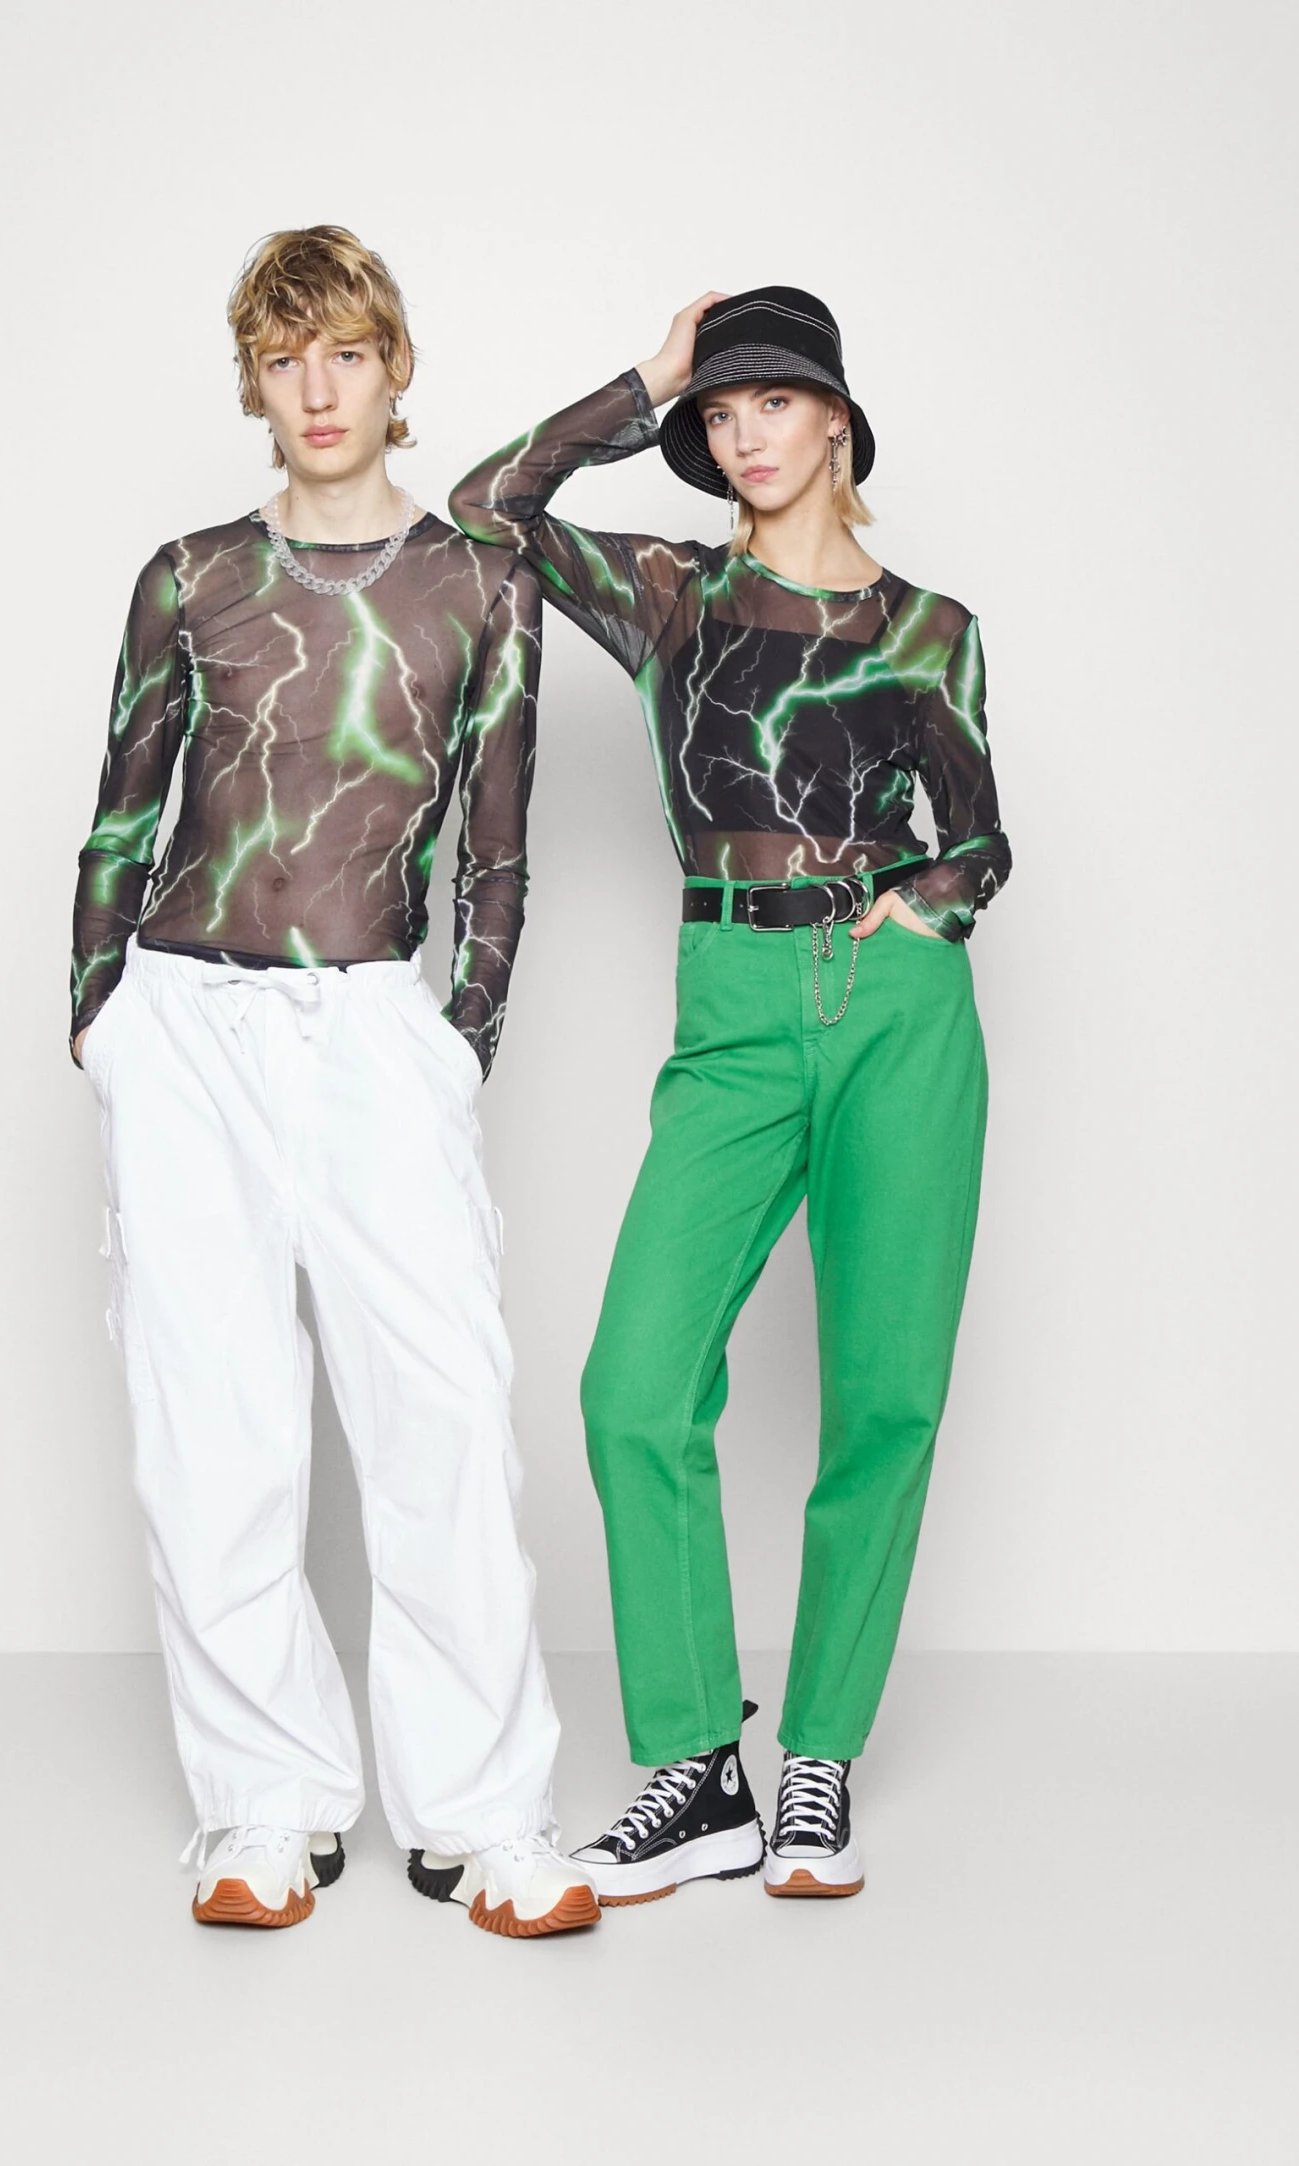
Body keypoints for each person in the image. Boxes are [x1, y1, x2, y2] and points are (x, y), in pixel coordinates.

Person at [450, 286, 1009, 1904]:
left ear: (836, 419)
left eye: (771, 400)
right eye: (718, 411)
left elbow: (978, 833)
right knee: (634, 1386)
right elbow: (487, 508)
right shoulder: (676, 595)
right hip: (734, 1004)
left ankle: (820, 1752)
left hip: (897, 1010)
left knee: (886, 1394)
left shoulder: (932, 628)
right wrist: (645, 376)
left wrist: (930, 906)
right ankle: (698, 1772)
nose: (742, 432)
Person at [71, 225, 598, 1938]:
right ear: (254, 380)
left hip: (375, 1023)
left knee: (442, 1415)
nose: (317, 387)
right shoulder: (188, 578)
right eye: (284, 358)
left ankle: (483, 1815)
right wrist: (100, 1017)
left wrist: (460, 1038)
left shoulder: (478, 584)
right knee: (211, 1423)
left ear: (394, 369)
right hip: (186, 1022)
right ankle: (264, 1804)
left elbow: (499, 850)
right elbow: (122, 810)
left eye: (347, 354)